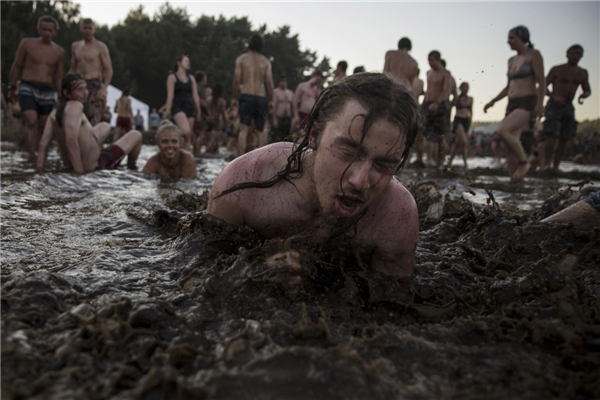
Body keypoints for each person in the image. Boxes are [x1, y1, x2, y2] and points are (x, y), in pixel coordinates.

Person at [207, 73, 421, 280]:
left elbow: (392, 306)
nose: (360, 181)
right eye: (348, 153)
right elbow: (201, 274)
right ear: (314, 134)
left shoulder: (396, 218)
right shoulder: (243, 185)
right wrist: (255, 273)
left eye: (383, 165)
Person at [37, 74, 142, 174]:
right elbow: (71, 143)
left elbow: (43, 144)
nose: (85, 92)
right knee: (137, 134)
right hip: (97, 164)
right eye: (80, 89)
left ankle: (97, 148)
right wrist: (79, 174)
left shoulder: (54, 113)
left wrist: (39, 170)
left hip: (75, 161)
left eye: (85, 88)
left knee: (105, 126)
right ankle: (131, 168)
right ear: (66, 93)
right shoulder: (76, 106)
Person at [484, 26, 545, 181]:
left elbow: (542, 82)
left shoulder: (534, 55)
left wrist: (539, 105)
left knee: (503, 131)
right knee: (510, 146)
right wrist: (493, 101)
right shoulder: (511, 60)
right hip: (512, 103)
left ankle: (525, 163)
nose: (508, 41)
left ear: (523, 38)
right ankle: (514, 180)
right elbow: (508, 87)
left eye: (512, 38)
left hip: (527, 102)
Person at [8, 15, 65, 159]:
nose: (47, 33)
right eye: (44, 29)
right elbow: (16, 66)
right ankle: (31, 153)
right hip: (28, 85)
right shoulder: (27, 44)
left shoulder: (59, 51)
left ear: (55, 32)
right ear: (39, 29)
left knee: (44, 125)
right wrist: (12, 87)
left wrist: (61, 97)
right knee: (31, 120)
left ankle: (40, 153)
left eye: (50, 30)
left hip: (46, 89)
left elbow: (59, 77)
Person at [540, 44, 591, 171]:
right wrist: (554, 97)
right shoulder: (557, 69)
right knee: (551, 135)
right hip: (554, 104)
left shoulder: (582, 73)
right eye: (573, 53)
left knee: (565, 137)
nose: (575, 56)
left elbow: (587, 90)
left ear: (581, 56)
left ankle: (555, 166)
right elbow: (543, 87)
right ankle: (546, 164)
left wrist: (584, 95)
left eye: (578, 54)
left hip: (568, 106)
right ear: (567, 55)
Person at [231, 34, 274, 156]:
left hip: (246, 95)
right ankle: (262, 162)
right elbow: (269, 83)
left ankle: (239, 160)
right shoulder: (266, 62)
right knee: (260, 131)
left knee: (244, 129)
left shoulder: (241, 59)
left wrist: (234, 98)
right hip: (261, 97)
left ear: (248, 44)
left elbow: (236, 80)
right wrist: (271, 100)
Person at [70, 18, 113, 126]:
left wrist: (104, 88)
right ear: (80, 29)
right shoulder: (76, 46)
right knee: (78, 118)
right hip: (79, 83)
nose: (87, 31)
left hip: (95, 84)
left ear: (94, 30)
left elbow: (108, 69)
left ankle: (95, 142)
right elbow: (73, 68)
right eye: (85, 28)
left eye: (90, 28)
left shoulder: (100, 47)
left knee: (95, 119)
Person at [165, 55, 202, 151]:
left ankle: (184, 156)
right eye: (186, 61)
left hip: (190, 107)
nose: (188, 63)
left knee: (188, 137)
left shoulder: (191, 78)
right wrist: (168, 112)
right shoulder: (172, 77)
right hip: (178, 107)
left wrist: (198, 111)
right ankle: (174, 144)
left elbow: (195, 95)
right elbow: (170, 96)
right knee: (185, 131)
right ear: (179, 63)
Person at [422, 51, 451, 169]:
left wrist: (437, 103)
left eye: (432, 60)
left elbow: (445, 90)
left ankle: (441, 162)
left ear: (438, 60)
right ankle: (427, 159)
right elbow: (428, 89)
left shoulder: (445, 73)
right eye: (428, 61)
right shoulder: (428, 72)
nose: (430, 63)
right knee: (423, 133)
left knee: (440, 136)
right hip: (427, 104)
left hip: (439, 106)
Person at [446, 82, 473, 168]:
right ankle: (465, 163)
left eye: (467, 87)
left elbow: (471, 110)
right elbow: (450, 105)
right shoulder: (457, 98)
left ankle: (450, 161)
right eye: (463, 87)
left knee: (459, 143)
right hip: (458, 119)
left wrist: (470, 118)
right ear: (460, 88)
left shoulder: (471, 99)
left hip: (466, 121)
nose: (465, 89)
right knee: (464, 142)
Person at [203, 83, 227, 153]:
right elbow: (223, 114)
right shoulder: (221, 101)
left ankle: (209, 151)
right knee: (214, 139)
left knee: (209, 139)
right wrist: (226, 125)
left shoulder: (208, 99)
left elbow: (205, 111)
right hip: (216, 121)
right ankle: (208, 152)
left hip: (208, 120)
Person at [271, 76, 296, 143]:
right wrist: (274, 119)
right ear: (279, 83)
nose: (283, 83)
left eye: (284, 81)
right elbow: (273, 106)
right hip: (279, 118)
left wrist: (295, 117)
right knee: (277, 138)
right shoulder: (276, 92)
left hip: (287, 119)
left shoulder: (290, 93)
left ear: (286, 82)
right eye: (281, 81)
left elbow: (293, 106)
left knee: (287, 138)